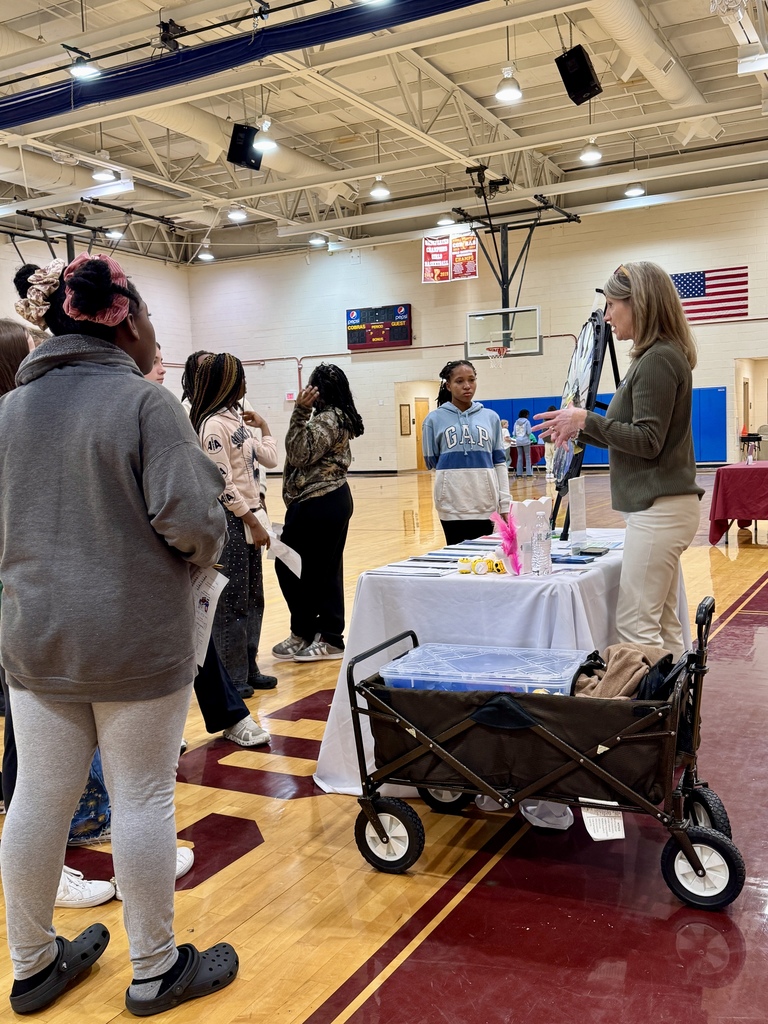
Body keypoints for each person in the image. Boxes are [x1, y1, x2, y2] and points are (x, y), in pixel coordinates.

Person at [2, 255, 238, 1016]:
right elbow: (195, 525)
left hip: (35, 641)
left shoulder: (7, 412)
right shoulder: (145, 405)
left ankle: (33, 964)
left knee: (37, 798)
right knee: (141, 799)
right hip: (135, 640)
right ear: (127, 320)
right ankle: (155, 969)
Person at [534, 261, 703, 659]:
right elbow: (633, 435)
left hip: (659, 509)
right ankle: (675, 711)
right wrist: (579, 426)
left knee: (636, 624)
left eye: (612, 305)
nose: (607, 315)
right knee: (662, 623)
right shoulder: (655, 357)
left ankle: (647, 717)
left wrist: (586, 419)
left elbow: (647, 441)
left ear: (638, 304)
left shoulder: (658, 359)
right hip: (661, 507)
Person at [143, 353, 269, 740]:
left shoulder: (228, 418)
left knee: (239, 602)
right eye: (155, 360)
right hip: (210, 524)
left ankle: (238, 686)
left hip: (228, 521)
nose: (163, 368)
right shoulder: (201, 420)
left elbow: (265, 460)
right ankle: (186, 716)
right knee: (219, 609)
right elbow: (213, 481)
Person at [190, 353, 278, 694]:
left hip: (252, 513)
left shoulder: (235, 420)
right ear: (227, 381)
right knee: (232, 601)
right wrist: (250, 520)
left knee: (254, 596)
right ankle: (233, 676)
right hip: (232, 518)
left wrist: (264, 426)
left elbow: (269, 458)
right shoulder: (213, 424)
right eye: (241, 377)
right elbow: (221, 483)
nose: (245, 384)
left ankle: (249, 664)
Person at [272, 363, 363, 662]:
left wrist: (299, 412)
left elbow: (299, 452)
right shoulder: (330, 417)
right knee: (307, 569)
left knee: (303, 569)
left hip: (323, 500)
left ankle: (329, 637)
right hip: (316, 502)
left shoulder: (330, 418)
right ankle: (307, 631)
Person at [421, 359, 511, 544]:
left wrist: (505, 503)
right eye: (459, 381)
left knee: (485, 559)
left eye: (471, 380)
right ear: (448, 385)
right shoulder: (433, 420)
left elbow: (499, 463)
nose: (467, 386)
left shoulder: (491, 417)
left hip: (485, 504)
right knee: (456, 562)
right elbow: (433, 462)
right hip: (451, 506)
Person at [513, 408, 533, 476]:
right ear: (526, 415)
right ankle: (529, 473)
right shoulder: (527, 422)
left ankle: (519, 473)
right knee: (527, 457)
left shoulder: (516, 422)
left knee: (519, 456)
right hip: (526, 441)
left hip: (518, 441)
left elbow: (514, 433)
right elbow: (529, 432)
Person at [544, 405, 557, 480]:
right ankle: (552, 471)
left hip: (547, 441)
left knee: (548, 457)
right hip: (555, 441)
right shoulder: (556, 419)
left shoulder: (545, 419)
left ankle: (548, 472)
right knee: (554, 457)